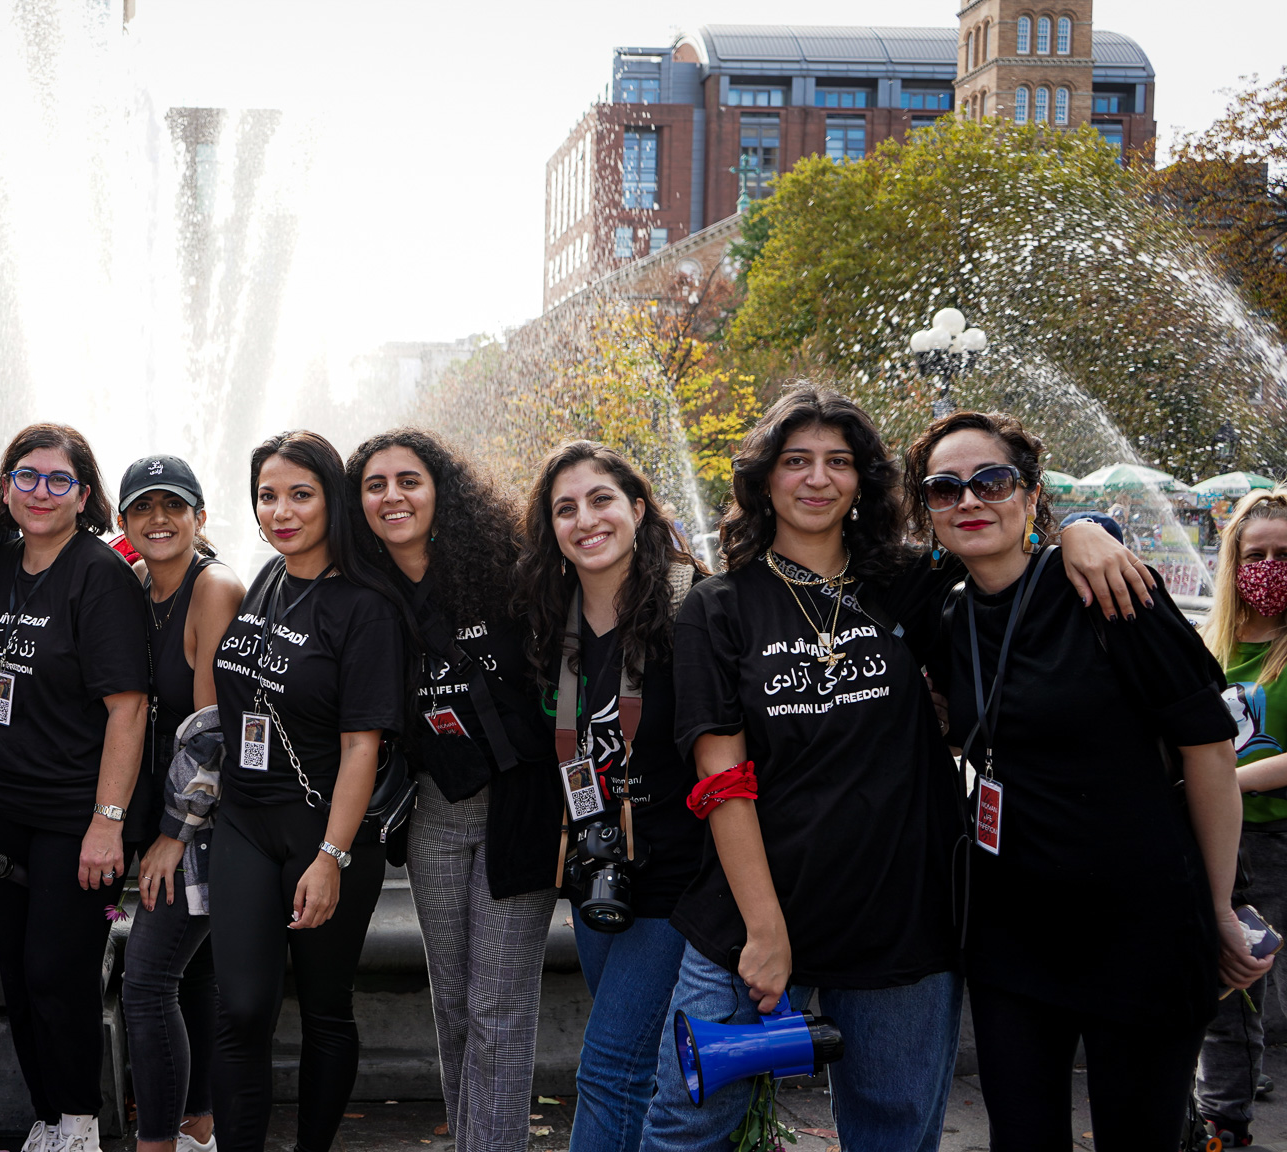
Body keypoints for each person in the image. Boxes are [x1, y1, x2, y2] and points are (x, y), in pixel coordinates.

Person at [641, 387, 1156, 1152]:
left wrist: (1080, 530)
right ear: (765, 479)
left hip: (902, 917)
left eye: (839, 462)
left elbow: (1000, 548)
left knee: (893, 1135)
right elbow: (722, 779)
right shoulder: (719, 607)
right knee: (685, 1128)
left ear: (862, 482)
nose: (818, 479)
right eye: (796, 461)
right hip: (751, 917)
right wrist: (765, 929)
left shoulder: (909, 583)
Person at [909, 410, 1267, 1150]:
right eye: (945, 489)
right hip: (1012, 934)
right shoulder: (947, 615)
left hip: (1138, 924)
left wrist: (1220, 905)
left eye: (992, 481)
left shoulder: (1110, 589)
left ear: (1033, 496)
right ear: (929, 512)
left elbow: (1208, 747)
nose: (970, 500)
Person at [344, 429, 562, 1152]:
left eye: (408, 480)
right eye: (375, 485)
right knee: (455, 1009)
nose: (392, 496)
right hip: (434, 812)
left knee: (499, 1007)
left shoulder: (506, 570)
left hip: (519, 805)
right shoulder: (364, 594)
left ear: (441, 491)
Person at [0, 423, 149, 1152]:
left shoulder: (100, 576)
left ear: (84, 495)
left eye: (58, 480)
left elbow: (128, 708)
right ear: (4, 486)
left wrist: (107, 821)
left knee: (58, 974)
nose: (39, 491)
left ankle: (81, 1121)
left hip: (72, 816)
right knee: (20, 977)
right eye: (26, 476)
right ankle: (48, 1117)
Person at [210, 430, 409, 1152]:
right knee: (241, 1007)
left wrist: (331, 855)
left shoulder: (364, 607)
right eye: (267, 496)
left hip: (326, 831)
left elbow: (364, 745)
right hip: (243, 820)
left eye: (301, 495)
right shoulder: (267, 577)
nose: (281, 511)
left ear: (333, 500)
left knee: (325, 1008)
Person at [507, 442, 704, 1152]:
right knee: (639, 1069)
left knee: (610, 1069)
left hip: (679, 877)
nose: (585, 519)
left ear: (638, 510)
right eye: (565, 508)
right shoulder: (543, 623)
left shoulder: (691, 609)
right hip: (596, 872)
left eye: (601, 500)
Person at [116, 454, 243, 1152]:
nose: (159, 519)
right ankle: (199, 1126)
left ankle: (157, 1142)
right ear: (124, 522)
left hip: (211, 822)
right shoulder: (140, 584)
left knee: (146, 982)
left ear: (200, 515)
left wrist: (171, 834)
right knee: (193, 975)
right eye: (143, 507)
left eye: (174, 505)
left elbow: (213, 733)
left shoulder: (213, 588)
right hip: (181, 816)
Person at [1189, 488, 1287, 1146]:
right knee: (1224, 993)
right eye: (1257, 554)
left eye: (1285, 554)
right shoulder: (1206, 640)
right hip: (1212, 842)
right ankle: (1226, 1111)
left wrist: (1223, 783)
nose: (1270, 565)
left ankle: (1223, 1120)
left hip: (1276, 842)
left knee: (1255, 990)